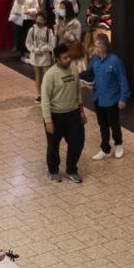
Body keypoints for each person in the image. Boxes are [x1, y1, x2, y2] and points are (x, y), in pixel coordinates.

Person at [41, 43, 88, 183]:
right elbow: (45, 100)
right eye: (65, 58)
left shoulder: (73, 69)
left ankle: (71, 169)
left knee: (78, 142)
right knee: (53, 146)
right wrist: (48, 120)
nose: (68, 60)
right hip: (55, 116)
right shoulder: (50, 75)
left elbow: (78, 91)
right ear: (57, 59)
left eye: (69, 57)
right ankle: (53, 170)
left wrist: (81, 111)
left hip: (73, 114)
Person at [80, 34, 130, 160]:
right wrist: (77, 75)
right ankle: (105, 149)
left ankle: (118, 144)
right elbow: (90, 73)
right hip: (98, 98)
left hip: (112, 99)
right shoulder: (94, 60)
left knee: (114, 123)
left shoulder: (115, 61)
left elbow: (122, 81)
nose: (94, 48)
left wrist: (123, 98)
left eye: (96, 46)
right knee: (102, 124)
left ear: (103, 47)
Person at [25, 11, 56, 100]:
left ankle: (48, 95)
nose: (38, 21)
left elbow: (52, 45)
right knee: (37, 75)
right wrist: (35, 49)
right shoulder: (32, 30)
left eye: (41, 20)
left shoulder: (49, 31)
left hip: (45, 57)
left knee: (47, 76)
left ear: (45, 21)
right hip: (35, 56)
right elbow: (28, 43)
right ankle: (40, 95)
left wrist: (43, 49)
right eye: (37, 19)